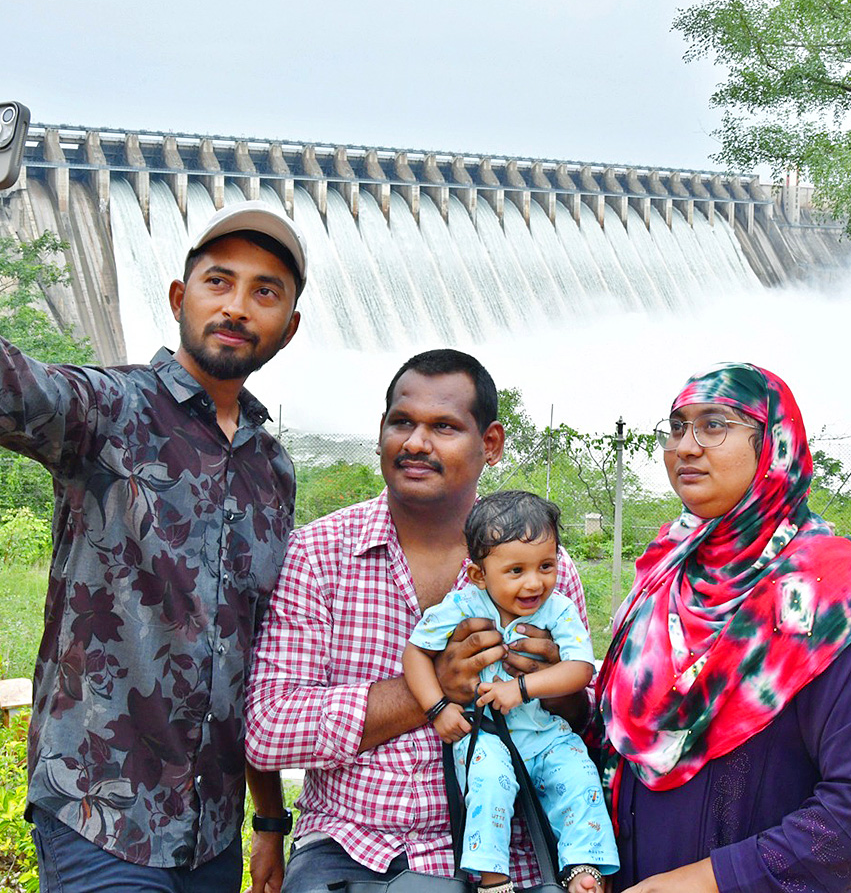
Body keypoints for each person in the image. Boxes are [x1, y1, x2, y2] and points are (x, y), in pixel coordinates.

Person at [0, 102, 306, 893]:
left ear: (287, 327)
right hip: (99, 818)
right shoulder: (110, 411)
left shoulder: (275, 472)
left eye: (264, 292)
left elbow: (253, 660)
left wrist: (267, 821)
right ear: (178, 297)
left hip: (212, 835)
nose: (235, 305)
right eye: (218, 281)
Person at [244, 350, 602, 893]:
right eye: (402, 423)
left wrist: (553, 690)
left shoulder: (544, 572)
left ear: (491, 444)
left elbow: (582, 724)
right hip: (351, 848)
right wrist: (433, 691)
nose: (415, 442)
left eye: (444, 427)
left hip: (507, 856)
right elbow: (268, 728)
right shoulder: (316, 554)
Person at [592, 362, 851, 893]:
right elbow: (621, 736)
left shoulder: (834, 596)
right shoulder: (663, 575)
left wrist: (711, 881)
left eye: (714, 424)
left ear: (773, 444)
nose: (686, 447)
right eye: (677, 427)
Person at [403, 490, 619, 893]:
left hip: (545, 734)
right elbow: (415, 652)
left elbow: (580, 669)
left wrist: (523, 687)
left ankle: (584, 865)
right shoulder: (464, 605)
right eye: (516, 571)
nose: (535, 582)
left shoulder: (558, 609)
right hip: (487, 734)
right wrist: (437, 708)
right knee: (488, 780)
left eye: (547, 566)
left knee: (578, 775)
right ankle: (492, 879)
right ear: (479, 575)